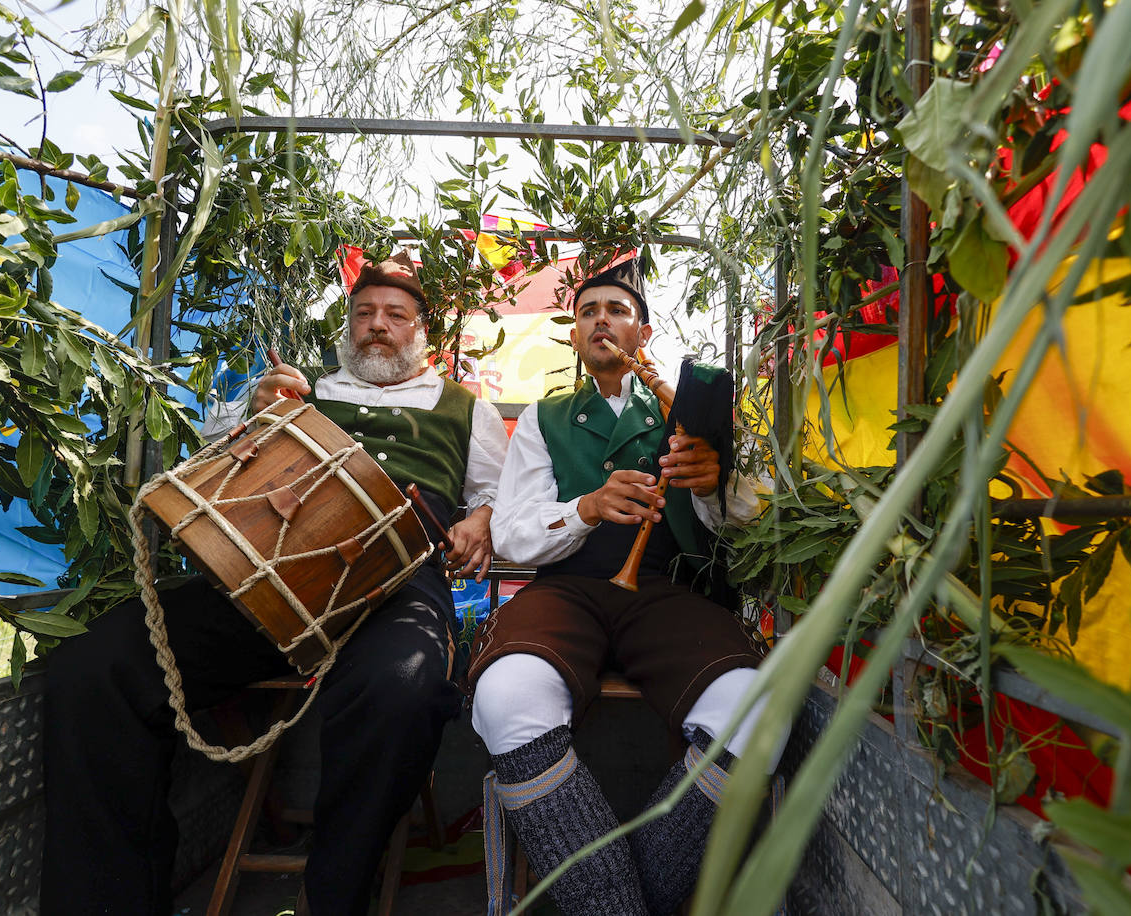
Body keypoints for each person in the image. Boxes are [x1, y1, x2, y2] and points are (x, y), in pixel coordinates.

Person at [41, 252, 508, 915]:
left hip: (395, 589)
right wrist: (252, 418)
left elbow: (497, 501)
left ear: (423, 334)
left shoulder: (467, 412)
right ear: (347, 327)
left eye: (396, 315)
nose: (377, 325)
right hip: (269, 586)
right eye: (364, 313)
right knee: (96, 667)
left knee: (402, 686)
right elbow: (211, 466)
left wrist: (483, 520)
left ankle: (333, 897)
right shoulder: (291, 392)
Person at [468, 258, 781, 916]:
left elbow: (748, 527)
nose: (601, 320)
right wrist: (584, 508)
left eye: (616, 310)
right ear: (575, 337)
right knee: (503, 696)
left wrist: (712, 484)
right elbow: (516, 535)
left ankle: (626, 894)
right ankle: (621, 898)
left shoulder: (689, 413)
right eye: (587, 312)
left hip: (666, 591)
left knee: (755, 711)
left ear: (642, 333)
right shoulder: (542, 417)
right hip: (567, 591)